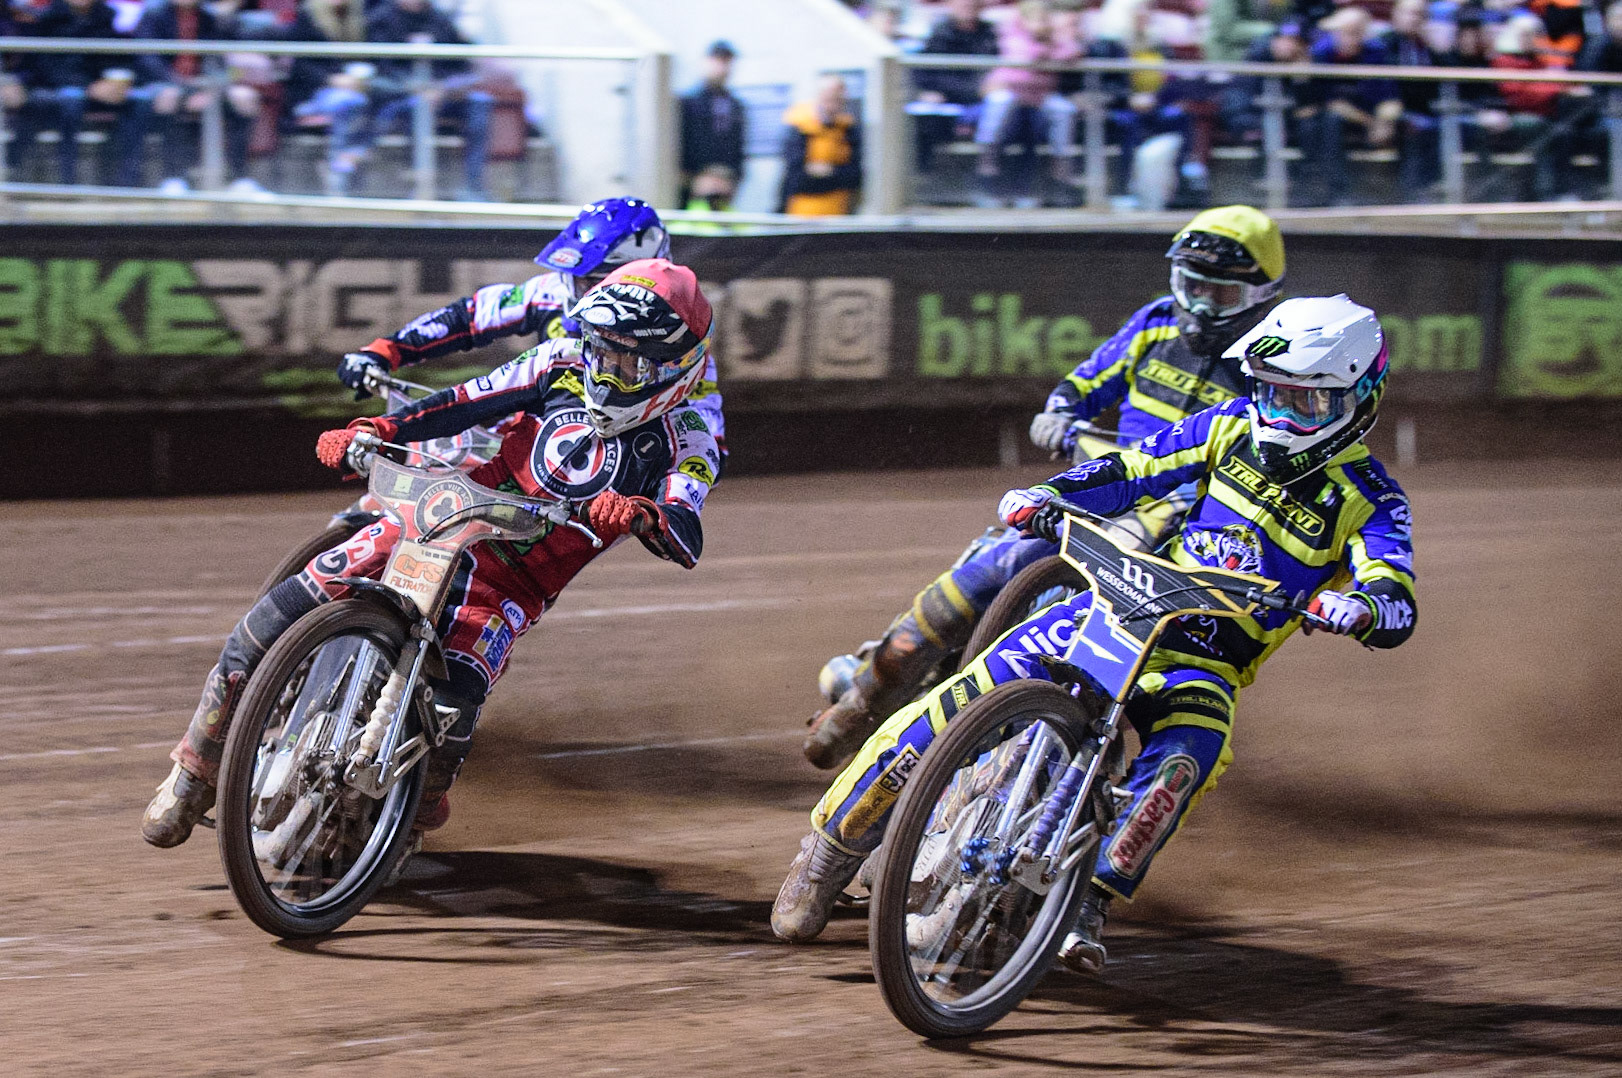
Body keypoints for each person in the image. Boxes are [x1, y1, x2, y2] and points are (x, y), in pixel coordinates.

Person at [773, 294, 1417, 962]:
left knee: (1187, 758)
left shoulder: (1373, 501)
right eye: (1270, 394)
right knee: (951, 704)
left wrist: (1364, 607)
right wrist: (1054, 495)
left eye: (1304, 402)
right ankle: (827, 853)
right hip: (1115, 611)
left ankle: (1090, 898)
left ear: (1358, 398)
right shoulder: (1228, 426)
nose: (1280, 416)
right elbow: (1134, 471)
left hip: (1206, 665)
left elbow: (1394, 587)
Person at [141, 259, 721, 851]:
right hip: (443, 515)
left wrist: (647, 515)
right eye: (601, 348)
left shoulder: (690, 432)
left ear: (673, 365)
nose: (607, 367)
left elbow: (686, 525)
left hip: (514, 579)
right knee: (268, 622)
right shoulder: (560, 361)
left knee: (455, 703)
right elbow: (460, 402)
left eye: (629, 358)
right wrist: (373, 431)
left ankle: (408, 823)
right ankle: (193, 774)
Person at [803, 205, 1285, 772]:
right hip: (1102, 490)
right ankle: (863, 697)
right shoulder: (1156, 322)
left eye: (1220, 295)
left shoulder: (1270, 368)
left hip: (1182, 529)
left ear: (1261, 295)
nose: (1200, 307)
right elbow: (1085, 383)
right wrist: (1059, 412)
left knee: (1125, 658)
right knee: (985, 569)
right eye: (1191, 286)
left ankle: (1069, 760)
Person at [332, 197, 727, 464]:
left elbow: (709, 439)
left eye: (591, 281)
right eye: (575, 278)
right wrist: (385, 350)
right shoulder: (550, 292)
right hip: (526, 430)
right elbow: (467, 316)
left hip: (608, 462)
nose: (577, 291)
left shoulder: (680, 339)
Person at [7, 0, 156, 187]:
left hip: (103, 88)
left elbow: (125, 58)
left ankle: (128, 182)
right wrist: (89, 87)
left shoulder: (109, 17)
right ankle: (67, 181)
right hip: (60, 89)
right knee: (72, 100)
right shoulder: (48, 19)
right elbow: (44, 67)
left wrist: (119, 82)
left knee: (141, 100)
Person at [134, 0, 266, 194]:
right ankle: (173, 178)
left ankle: (240, 178)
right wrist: (184, 87)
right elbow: (148, 60)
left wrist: (211, 89)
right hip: (166, 82)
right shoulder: (154, 15)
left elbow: (220, 61)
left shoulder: (210, 18)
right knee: (169, 97)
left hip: (205, 84)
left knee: (244, 98)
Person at [972, 0, 1081, 206]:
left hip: (1040, 96)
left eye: (1045, 19)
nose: (1042, 23)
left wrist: (1049, 47)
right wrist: (1047, 51)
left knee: (1064, 110)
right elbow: (1027, 56)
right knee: (999, 103)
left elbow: (1072, 52)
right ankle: (988, 155)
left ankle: (1061, 164)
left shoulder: (1054, 38)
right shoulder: (1013, 35)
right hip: (1011, 92)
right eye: (1037, 19)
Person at [1300, 5, 1400, 205]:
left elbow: (1390, 98)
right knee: (1326, 122)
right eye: (1343, 32)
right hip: (1329, 119)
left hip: (1365, 117)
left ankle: (1404, 199)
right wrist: (1371, 123)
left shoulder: (1376, 53)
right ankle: (1334, 192)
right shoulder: (1321, 54)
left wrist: (1383, 122)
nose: (1348, 38)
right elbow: (1327, 103)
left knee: (1413, 127)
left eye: (1355, 32)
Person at [779, 73, 863, 215]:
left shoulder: (849, 128)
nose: (833, 104)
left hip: (839, 210)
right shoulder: (799, 126)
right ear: (819, 96)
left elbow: (855, 176)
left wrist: (827, 171)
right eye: (829, 97)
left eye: (838, 98)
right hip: (802, 211)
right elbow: (796, 177)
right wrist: (836, 174)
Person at [679, 40, 746, 212]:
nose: (723, 67)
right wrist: (693, 177)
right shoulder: (688, 102)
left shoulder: (735, 106)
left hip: (725, 186)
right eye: (719, 60)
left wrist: (731, 178)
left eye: (727, 62)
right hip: (693, 186)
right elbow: (682, 143)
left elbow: (737, 146)